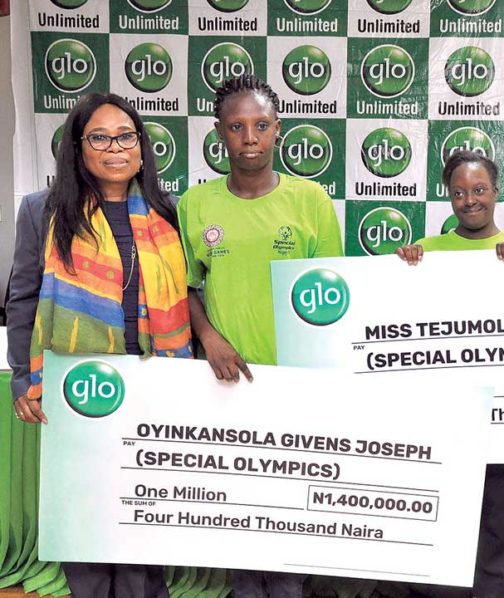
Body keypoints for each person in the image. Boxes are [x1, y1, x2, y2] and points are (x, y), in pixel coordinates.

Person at [6, 92, 193, 597]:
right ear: (78, 148)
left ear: (141, 147)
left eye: (126, 136)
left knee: (142, 509)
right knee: (84, 510)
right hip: (77, 388)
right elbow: (22, 300)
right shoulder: (42, 211)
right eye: (100, 138)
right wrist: (23, 379)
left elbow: (190, 295)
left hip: (153, 383)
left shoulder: (170, 211)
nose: (115, 148)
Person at [178, 74, 343, 598]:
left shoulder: (311, 200)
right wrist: (209, 338)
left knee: (291, 504)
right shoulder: (195, 204)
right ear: (219, 133)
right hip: (225, 380)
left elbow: (332, 295)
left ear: (278, 130)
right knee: (240, 504)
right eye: (236, 127)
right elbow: (186, 286)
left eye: (261, 125)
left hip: (295, 381)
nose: (249, 138)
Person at [395, 150, 504, 598]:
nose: (470, 200)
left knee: (500, 518)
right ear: (448, 197)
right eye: (459, 193)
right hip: (444, 411)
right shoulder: (424, 252)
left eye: (479, 190)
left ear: (496, 191)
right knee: (443, 513)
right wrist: (402, 269)